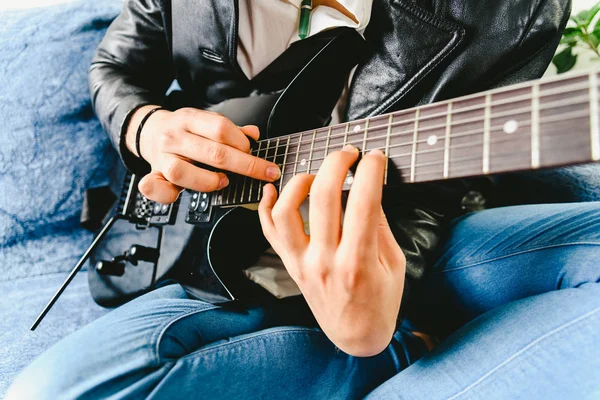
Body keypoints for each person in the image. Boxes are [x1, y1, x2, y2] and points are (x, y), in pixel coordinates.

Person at [7, 0, 600, 398]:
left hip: (399, 228)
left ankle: (396, 346)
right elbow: (114, 66)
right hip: (215, 242)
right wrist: (145, 127)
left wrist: (376, 318)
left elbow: (448, 170)